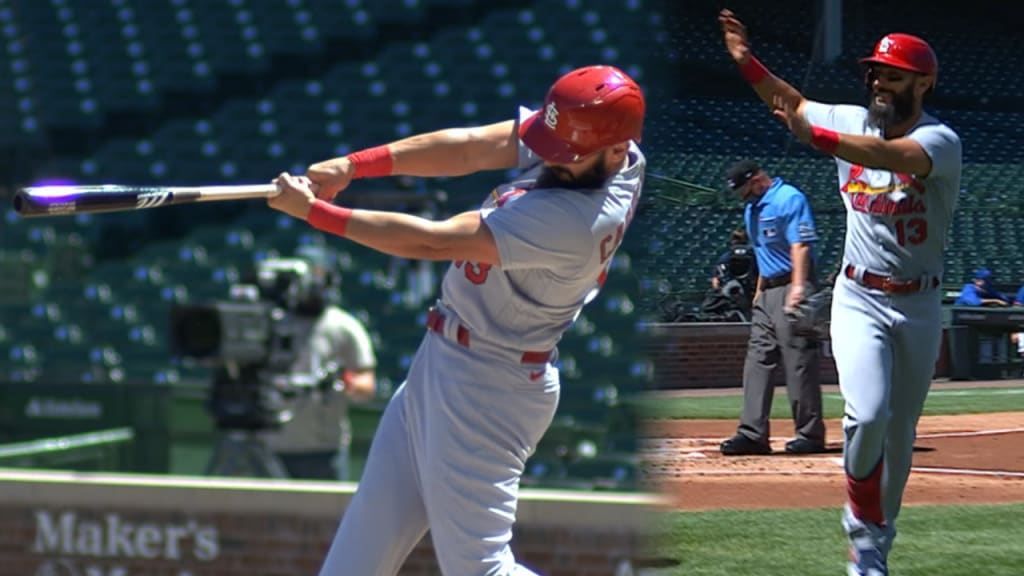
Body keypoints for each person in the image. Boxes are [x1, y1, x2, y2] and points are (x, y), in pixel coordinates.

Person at [267, 64, 645, 575]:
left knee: (480, 569)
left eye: (564, 154)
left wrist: (315, 213)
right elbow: (469, 147)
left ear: (616, 151)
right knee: (353, 565)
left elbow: (434, 240)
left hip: (487, 385)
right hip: (445, 362)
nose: (550, 157)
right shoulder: (596, 142)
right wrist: (354, 165)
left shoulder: (577, 219)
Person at [719, 10, 963, 575]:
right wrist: (745, 62)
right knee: (868, 414)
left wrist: (817, 136)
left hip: (921, 302)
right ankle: (861, 530)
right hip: (859, 297)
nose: (878, 82)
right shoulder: (853, 118)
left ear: (923, 82)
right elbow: (789, 101)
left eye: (892, 75)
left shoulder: (940, 140)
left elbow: (884, 156)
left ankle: (877, 540)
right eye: (874, 72)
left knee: (901, 436)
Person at [718, 158, 825, 456]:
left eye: (742, 188)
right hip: (768, 291)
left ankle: (809, 434)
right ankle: (752, 433)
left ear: (756, 180)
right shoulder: (753, 207)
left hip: (794, 284)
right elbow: (763, 251)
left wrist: (800, 288)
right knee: (757, 360)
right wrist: (760, 290)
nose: (740, 196)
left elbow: (800, 245)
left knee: (798, 361)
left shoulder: (788, 198)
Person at [261, 244, 378, 482]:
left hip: (324, 446)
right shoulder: (273, 321)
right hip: (274, 442)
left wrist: (343, 382)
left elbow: (367, 383)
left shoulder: (344, 327)